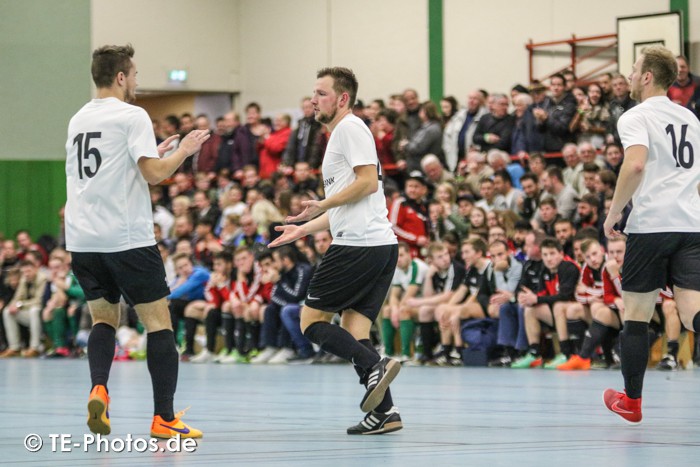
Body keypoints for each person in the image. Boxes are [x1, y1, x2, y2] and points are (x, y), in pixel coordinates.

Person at [64, 44, 209, 438]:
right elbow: (155, 174)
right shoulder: (132, 115)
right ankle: (164, 418)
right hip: (126, 238)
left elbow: (109, 167)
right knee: (159, 324)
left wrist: (148, 154)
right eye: (135, 75)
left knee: (103, 320)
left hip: (83, 239)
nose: (137, 82)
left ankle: (99, 389)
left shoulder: (78, 118)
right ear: (121, 77)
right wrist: (184, 150)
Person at [269, 67, 401, 435]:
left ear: (342, 98)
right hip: (378, 246)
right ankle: (386, 413)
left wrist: (323, 203)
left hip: (357, 246)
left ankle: (374, 365)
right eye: (313, 93)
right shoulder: (344, 133)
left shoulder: (349, 128)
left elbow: (367, 183)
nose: (313, 100)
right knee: (355, 332)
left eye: (321, 93)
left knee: (311, 322)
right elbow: (351, 201)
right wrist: (304, 228)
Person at [602, 45, 700, 424]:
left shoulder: (635, 116)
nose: (628, 75)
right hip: (690, 224)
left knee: (637, 316)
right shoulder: (689, 117)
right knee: (692, 313)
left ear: (646, 77)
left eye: (633, 69)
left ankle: (632, 401)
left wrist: (614, 213)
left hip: (651, 225)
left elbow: (636, 164)